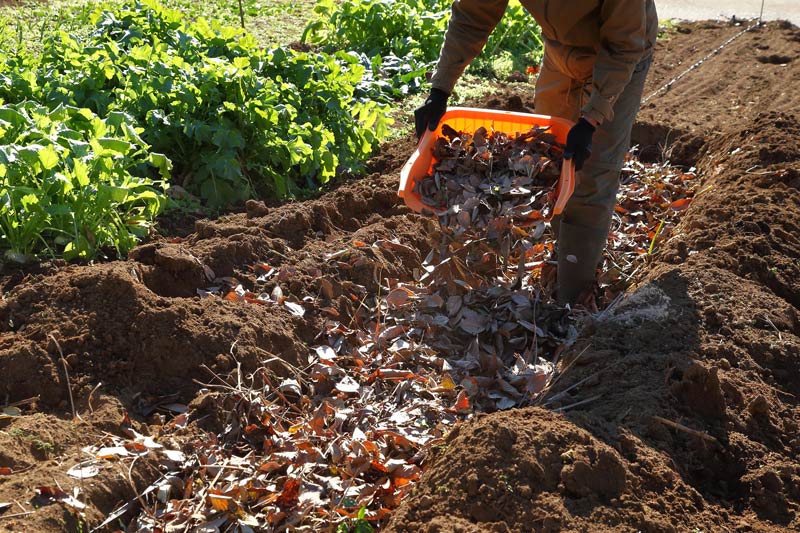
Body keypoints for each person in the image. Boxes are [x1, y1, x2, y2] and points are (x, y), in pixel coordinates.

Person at [415, 0, 658, 306]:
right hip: (560, 55)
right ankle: (559, 250)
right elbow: (473, 13)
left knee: (591, 171)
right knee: (550, 160)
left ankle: (572, 300)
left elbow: (623, 44)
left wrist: (591, 118)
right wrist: (440, 89)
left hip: (619, 56)